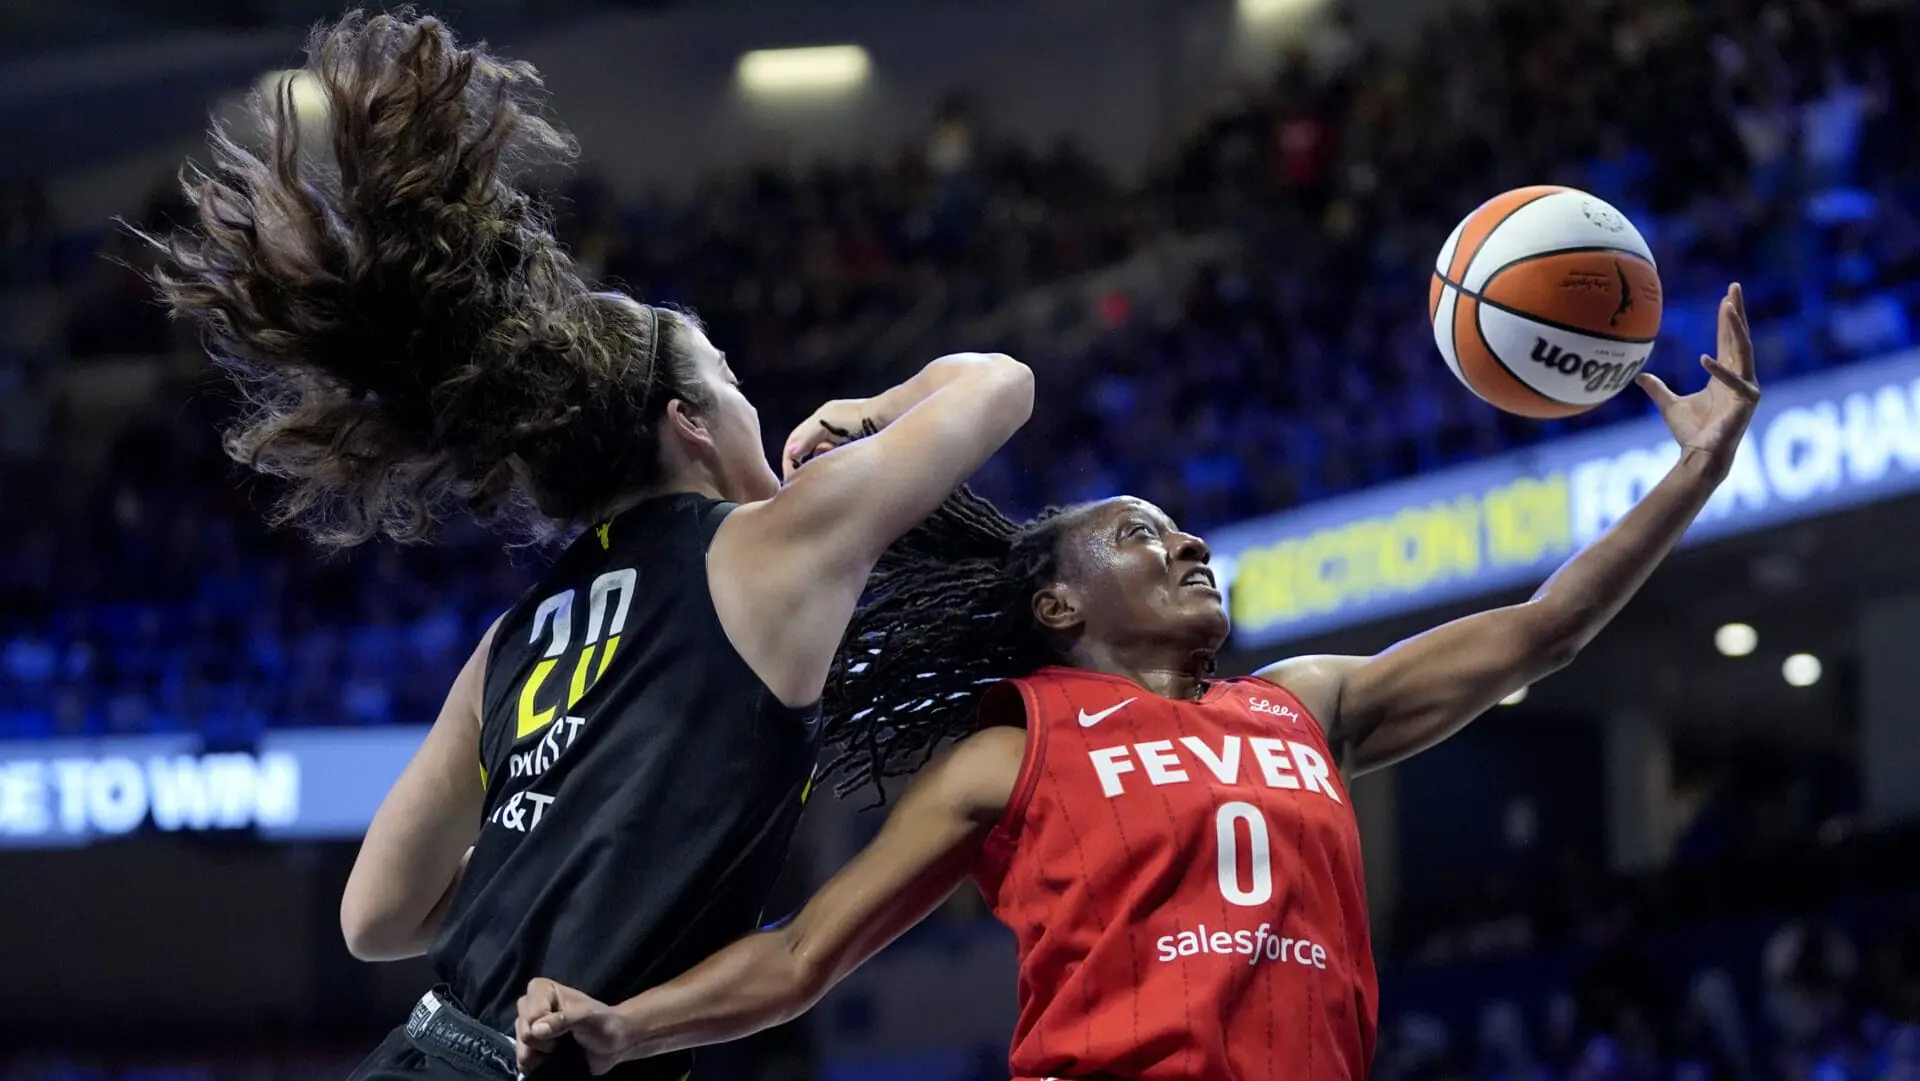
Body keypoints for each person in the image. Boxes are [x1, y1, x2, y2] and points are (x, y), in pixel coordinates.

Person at [512, 284, 1761, 1081]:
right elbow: (802, 961)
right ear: (1059, 604)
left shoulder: (1305, 703)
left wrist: (1697, 472)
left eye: (1184, 532)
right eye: (1143, 534)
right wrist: (624, 1024)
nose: (1189, 543)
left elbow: (1545, 630)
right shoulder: (1014, 744)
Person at [142, 11, 1032, 1081]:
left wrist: (562, 837)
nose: (757, 408)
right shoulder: (766, 549)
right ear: (689, 422)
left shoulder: (511, 638)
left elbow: (375, 916)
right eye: (735, 387)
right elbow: (998, 383)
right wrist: (874, 404)